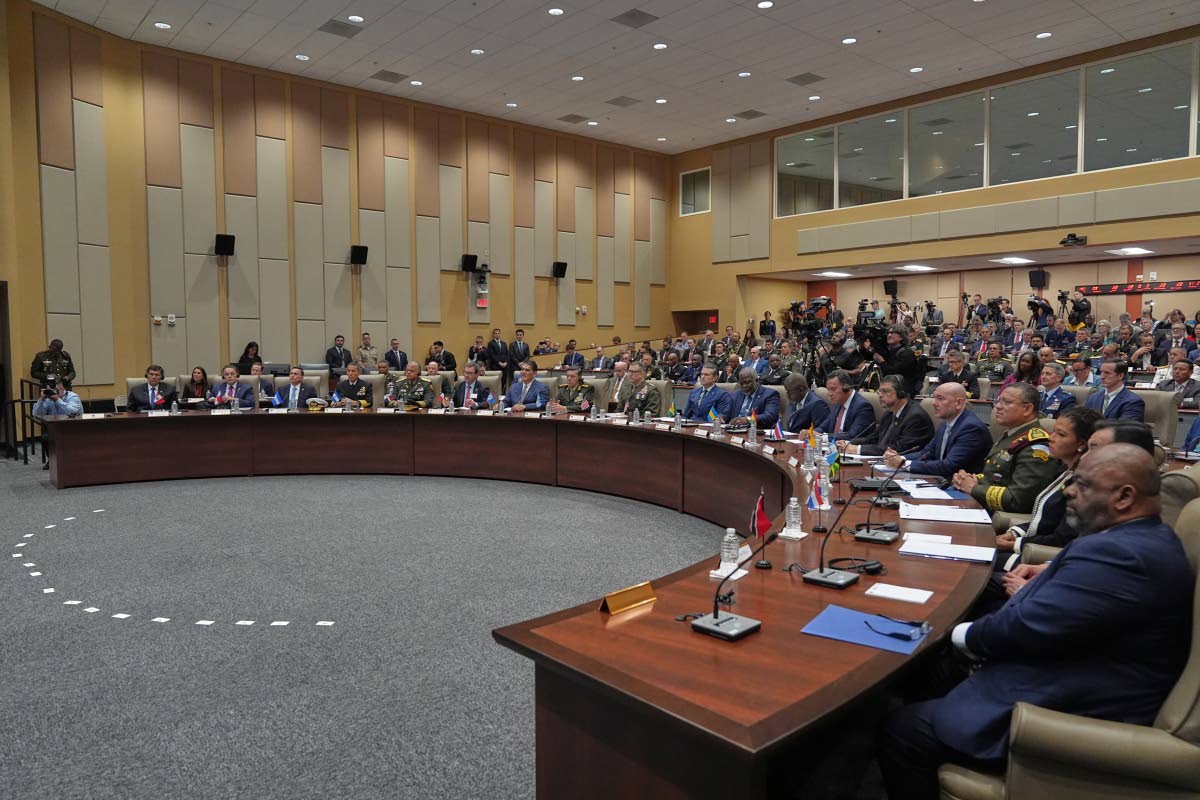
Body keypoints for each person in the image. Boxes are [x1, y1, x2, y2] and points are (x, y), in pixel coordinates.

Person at [879, 444, 1192, 800]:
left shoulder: (1122, 555)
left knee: (902, 729)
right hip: (1071, 665)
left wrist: (955, 633)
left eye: (1083, 485)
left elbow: (1027, 625)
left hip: (1073, 705)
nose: (1069, 491)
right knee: (927, 671)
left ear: (1124, 497)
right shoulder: (1134, 538)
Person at [993, 407, 1103, 569]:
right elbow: (1043, 520)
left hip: (1041, 558)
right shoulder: (1064, 470)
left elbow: (1062, 538)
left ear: (1081, 444)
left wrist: (1016, 543)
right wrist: (1014, 533)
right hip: (1029, 547)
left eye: (1061, 434)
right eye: (1054, 432)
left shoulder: (1082, 484)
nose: (1051, 438)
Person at [952, 383, 1064, 514]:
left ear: (1027, 409)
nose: (998, 407)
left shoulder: (1036, 446)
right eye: (999, 401)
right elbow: (996, 475)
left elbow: (1020, 499)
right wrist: (969, 479)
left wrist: (974, 488)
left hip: (1001, 518)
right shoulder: (1012, 434)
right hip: (984, 507)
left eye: (1007, 402)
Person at [884, 382, 991, 478]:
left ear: (959, 403)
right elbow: (927, 453)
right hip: (941, 482)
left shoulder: (972, 428)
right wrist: (897, 458)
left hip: (962, 491)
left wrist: (903, 463)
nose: (934, 403)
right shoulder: (945, 423)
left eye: (940, 398)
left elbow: (949, 466)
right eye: (934, 398)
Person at [839, 375, 933, 456]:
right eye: (879, 391)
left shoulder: (915, 417)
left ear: (901, 393)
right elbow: (874, 438)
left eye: (885, 391)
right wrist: (848, 443)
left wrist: (857, 449)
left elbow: (897, 449)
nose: (880, 395)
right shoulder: (889, 413)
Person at [817, 370, 874, 441]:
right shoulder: (838, 403)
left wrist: (822, 437)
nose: (829, 394)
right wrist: (813, 433)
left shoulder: (863, 406)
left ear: (846, 387)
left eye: (833, 389)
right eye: (828, 390)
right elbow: (823, 427)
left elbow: (852, 436)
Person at [867, 325, 921, 395]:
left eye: (893, 333)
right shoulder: (888, 350)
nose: (889, 335)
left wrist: (882, 362)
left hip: (903, 391)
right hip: (889, 388)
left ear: (901, 337)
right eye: (888, 333)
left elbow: (894, 373)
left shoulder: (907, 353)